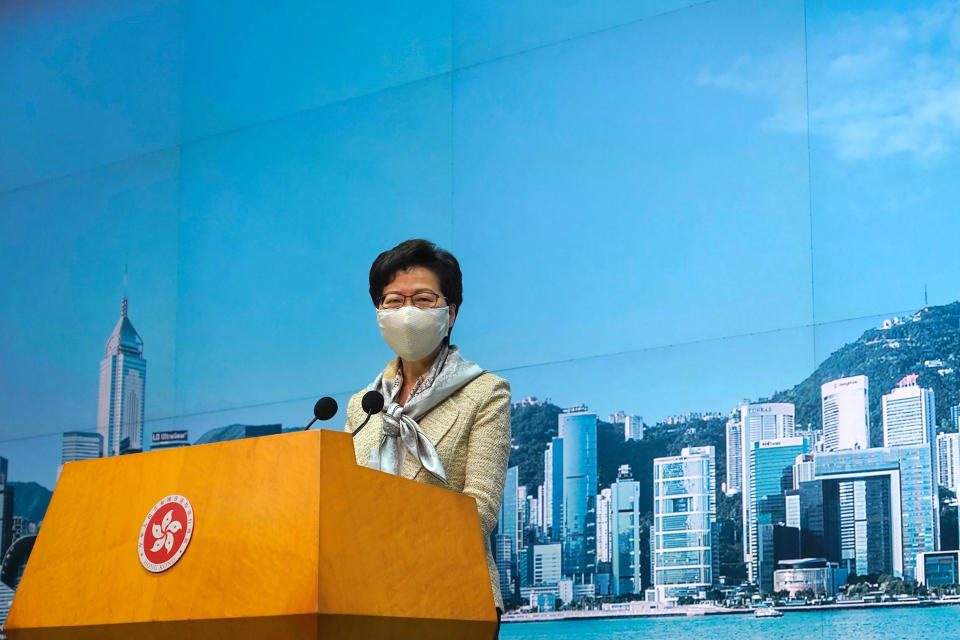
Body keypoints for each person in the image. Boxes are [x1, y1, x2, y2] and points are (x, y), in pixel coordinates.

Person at [343, 238, 510, 638]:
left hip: (452, 597)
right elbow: (344, 502)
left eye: (422, 299)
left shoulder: (485, 393)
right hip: (366, 598)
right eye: (393, 301)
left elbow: (480, 511)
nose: (407, 313)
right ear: (378, 312)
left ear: (450, 313)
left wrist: (391, 527)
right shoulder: (361, 405)